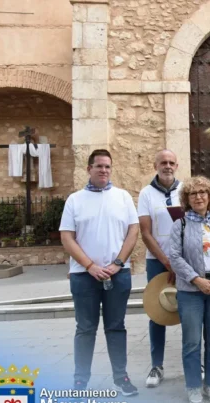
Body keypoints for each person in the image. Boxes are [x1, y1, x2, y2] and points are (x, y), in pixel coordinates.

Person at [59, 149, 139, 395]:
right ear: (88, 169)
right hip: (84, 277)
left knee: (116, 327)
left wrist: (118, 262)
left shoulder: (123, 197)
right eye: (99, 166)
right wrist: (90, 266)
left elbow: (133, 231)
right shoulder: (75, 200)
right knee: (85, 328)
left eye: (107, 166)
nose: (103, 170)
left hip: (118, 274)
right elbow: (67, 237)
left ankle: (120, 377)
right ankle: (80, 381)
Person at [170, 176, 210, 403]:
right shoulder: (181, 225)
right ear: (187, 199)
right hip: (190, 291)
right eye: (193, 193)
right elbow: (175, 257)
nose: (198, 197)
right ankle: (193, 387)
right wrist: (196, 280)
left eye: (203, 192)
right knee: (192, 342)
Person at [138, 149, 181, 388]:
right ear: (156, 165)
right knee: (157, 312)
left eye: (171, 162)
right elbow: (145, 232)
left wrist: (180, 260)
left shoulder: (185, 189)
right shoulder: (146, 194)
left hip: (185, 261)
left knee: (191, 313)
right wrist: (166, 261)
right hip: (157, 261)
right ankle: (157, 365)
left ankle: (195, 362)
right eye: (163, 162)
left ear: (177, 165)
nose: (167, 166)